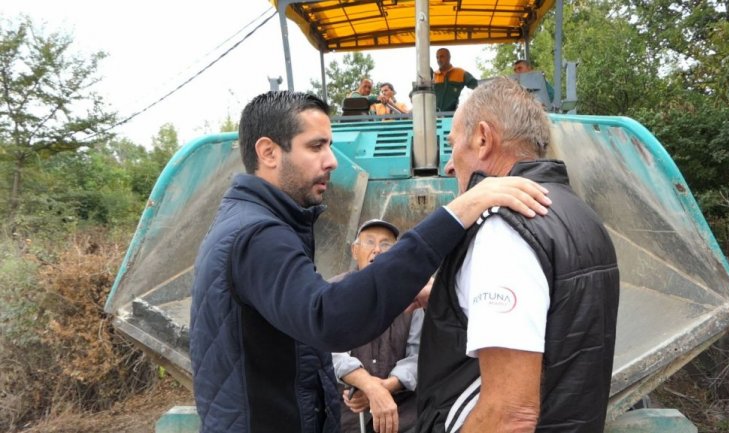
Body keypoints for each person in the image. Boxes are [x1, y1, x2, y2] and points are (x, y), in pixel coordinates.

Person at [189, 90, 552, 433]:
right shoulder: (257, 236)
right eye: (315, 146)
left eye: (329, 145)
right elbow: (329, 317)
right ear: (269, 152)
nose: (332, 160)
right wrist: (457, 213)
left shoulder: (255, 225)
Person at [415, 77, 620, 433]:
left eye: (452, 143)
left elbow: (510, 416)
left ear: (483, 138)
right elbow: (557, 322)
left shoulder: (505, 228)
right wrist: (448, 298)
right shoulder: (579, 213)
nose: (449, 165)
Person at [332, 219, 422, 433]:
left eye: (386, 244)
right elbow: (331, 352)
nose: (377, 250)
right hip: (347, 416)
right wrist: (368, 386)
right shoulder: (334, 291)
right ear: (355, 251)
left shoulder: (414, 295)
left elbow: (418, 355)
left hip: (402, 417)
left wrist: (385, 388)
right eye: (369, 242)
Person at [433, 48, 478, 112]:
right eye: (437, 57)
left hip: (452, 114)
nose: (439, 60)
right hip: (434, 115)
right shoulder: (434, 76)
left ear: (449, 57)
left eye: (442, 56)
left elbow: (476, 85)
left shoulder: (460, 73)